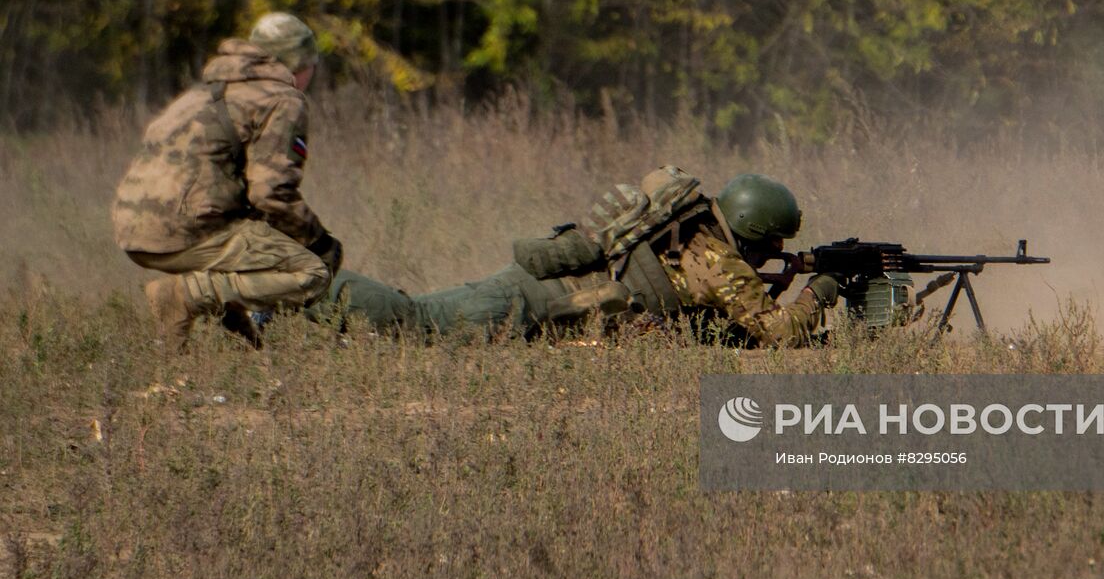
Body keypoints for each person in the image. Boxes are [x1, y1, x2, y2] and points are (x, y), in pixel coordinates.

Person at [310, 168, 839, 347]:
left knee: (420, 318)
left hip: (537, 290)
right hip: (534, 300)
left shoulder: (694, 224)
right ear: (753, 229)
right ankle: (301, 285)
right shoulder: (719, 259)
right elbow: (778, 333)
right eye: (775, 244)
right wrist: (824, 289)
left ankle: (298, 301)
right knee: (414, 320)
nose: (777, 253)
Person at [112, 12, 343, 349]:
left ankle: (241, 347)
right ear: (300, 64)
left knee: (252, 249)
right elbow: (272, 192)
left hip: (134, 229)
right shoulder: (283, 98)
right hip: (188, 230)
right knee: (311, 273)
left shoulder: (203, 93)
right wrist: (320, 243)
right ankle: (183, 296)